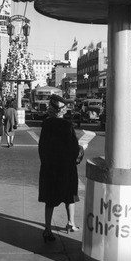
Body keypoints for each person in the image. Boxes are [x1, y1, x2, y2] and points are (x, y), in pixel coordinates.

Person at [38, 94, 84, 243]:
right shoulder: (67, 126)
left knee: (50, 199)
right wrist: (81, 149)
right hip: (66, 167)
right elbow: (73, 148)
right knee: (69, 195)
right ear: (63, 110)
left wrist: (46, 162)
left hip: (50, 168)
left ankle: (47, 229)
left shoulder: (46, 124)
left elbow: (42, 148)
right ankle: (71, 223)